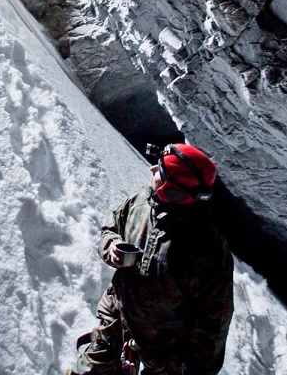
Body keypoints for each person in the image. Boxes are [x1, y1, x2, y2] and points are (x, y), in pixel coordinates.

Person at [68, 143, 234, 375]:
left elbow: (213, 321)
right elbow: (111, 229)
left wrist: (197, 368)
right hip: (117, 321)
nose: (152, 170)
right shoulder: (139, 204)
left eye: (160, 171)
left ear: (173, 190)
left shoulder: (207, 250)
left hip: (165, 351)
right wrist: (111, 246)